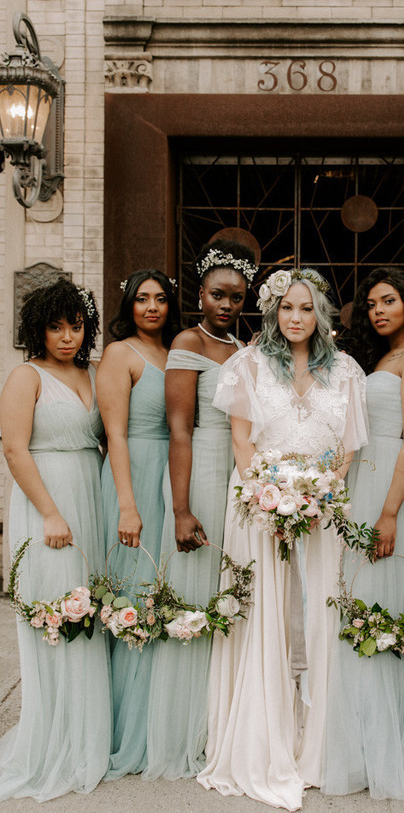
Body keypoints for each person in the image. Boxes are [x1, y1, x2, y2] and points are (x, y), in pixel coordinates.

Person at [197, 268, 368, 811]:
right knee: (266, 613)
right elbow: (241, 440)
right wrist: (267, 494)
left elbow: (348, 447)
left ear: (320, 313)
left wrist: (319, 491)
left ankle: (315, 744)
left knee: (318, 611)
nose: (295, 319)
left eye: (306, 308)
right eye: (286, 309)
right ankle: (267, 735)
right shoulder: (247, 364)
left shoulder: (344, 370)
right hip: (258, 502)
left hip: (321, 505)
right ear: (272, 312)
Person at [322, 268, 404, 801]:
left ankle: (391, 744)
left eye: (388, 300)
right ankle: (362, 741)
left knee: (383, 602)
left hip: (392, 487)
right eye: (371, 304)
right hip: (363, 483)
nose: (379, 311)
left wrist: (389, 513)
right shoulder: (380, 359)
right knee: (356, 604)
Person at [144, 240, 257, 781]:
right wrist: (182, 508)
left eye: (236, 296)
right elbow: (180, 429)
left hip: (238, 478)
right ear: (201, 293)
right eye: (218, 294)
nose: (227, 304)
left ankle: (222, 725)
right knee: (194, 594)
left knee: (227, 597)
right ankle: (182, 730)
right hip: (201, 473)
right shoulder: (188, 341)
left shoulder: (243, 346)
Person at [0, 279, 111, 801]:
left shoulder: (92, 371)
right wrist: (49, 513)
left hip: (91, 498)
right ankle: (55, 739)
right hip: (49, 504)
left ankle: (89, 734)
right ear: (37, 329)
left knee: (92, 615)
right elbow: (16, 450)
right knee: (59, 615)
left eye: (76, 326)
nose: (67, 337)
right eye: (55, 326)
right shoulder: (26, 376)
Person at [96, 269, 181, 778]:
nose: (151, 307)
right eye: (141, 299)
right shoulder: (119, 354)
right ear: (128, 304)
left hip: (174, 479)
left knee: (168, 594)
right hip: (135, 478)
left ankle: (164, 719)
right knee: (135, 595)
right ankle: (131, 730)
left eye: (161, 299)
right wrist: (128, 504)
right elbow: (116, 434)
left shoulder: (178, 353)